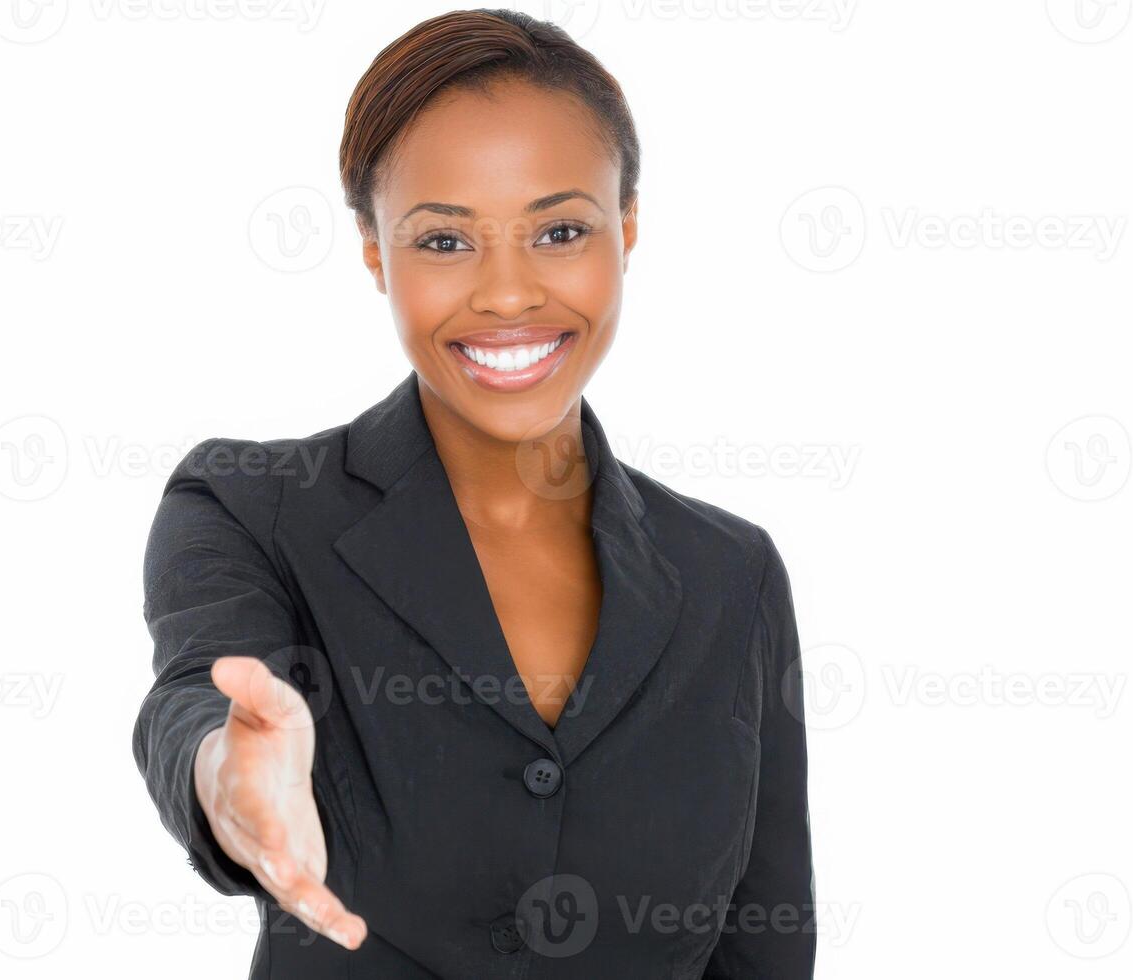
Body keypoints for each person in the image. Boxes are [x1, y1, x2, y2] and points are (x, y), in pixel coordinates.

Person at [134, 9, 816, 977]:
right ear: (375, 250)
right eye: (445, 242)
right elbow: (193, 704)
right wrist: (226, 781)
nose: (506, 294)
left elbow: (765, 944)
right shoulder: (254, 507)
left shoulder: (730, 573)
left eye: (561, 229)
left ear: (627, 230)